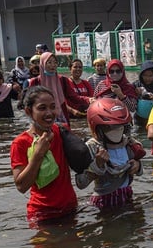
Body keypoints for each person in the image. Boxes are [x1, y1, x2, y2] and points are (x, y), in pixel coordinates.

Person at [10, 86, 79, 224]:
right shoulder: (20, 143)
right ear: (29, 111)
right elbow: (21, 187)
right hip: (42, 214)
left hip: (70, 207)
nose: (49, 113)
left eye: (52, 107)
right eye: (42, 108)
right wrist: (37, 155)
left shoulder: (61, 131)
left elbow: (80, 159)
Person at [75, 98, 145, 210]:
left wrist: (137, 166)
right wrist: (97, 165)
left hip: (126, 195)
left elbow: (140, 169)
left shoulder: (128, 142)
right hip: (104, 200)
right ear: (98, 128)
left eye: (120, 126)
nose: (116, 130)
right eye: (110, 127)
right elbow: (81, 183)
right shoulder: (92, 147)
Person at [28, 52, 91, 126]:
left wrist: (88, 99)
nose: (53, 65)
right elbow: (29, 102)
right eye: (49, 62)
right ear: (43, 64)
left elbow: (73, 96)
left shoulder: (62, 80)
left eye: (55, 62)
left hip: (60, 116)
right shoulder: (35, 82)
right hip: (41, 118)